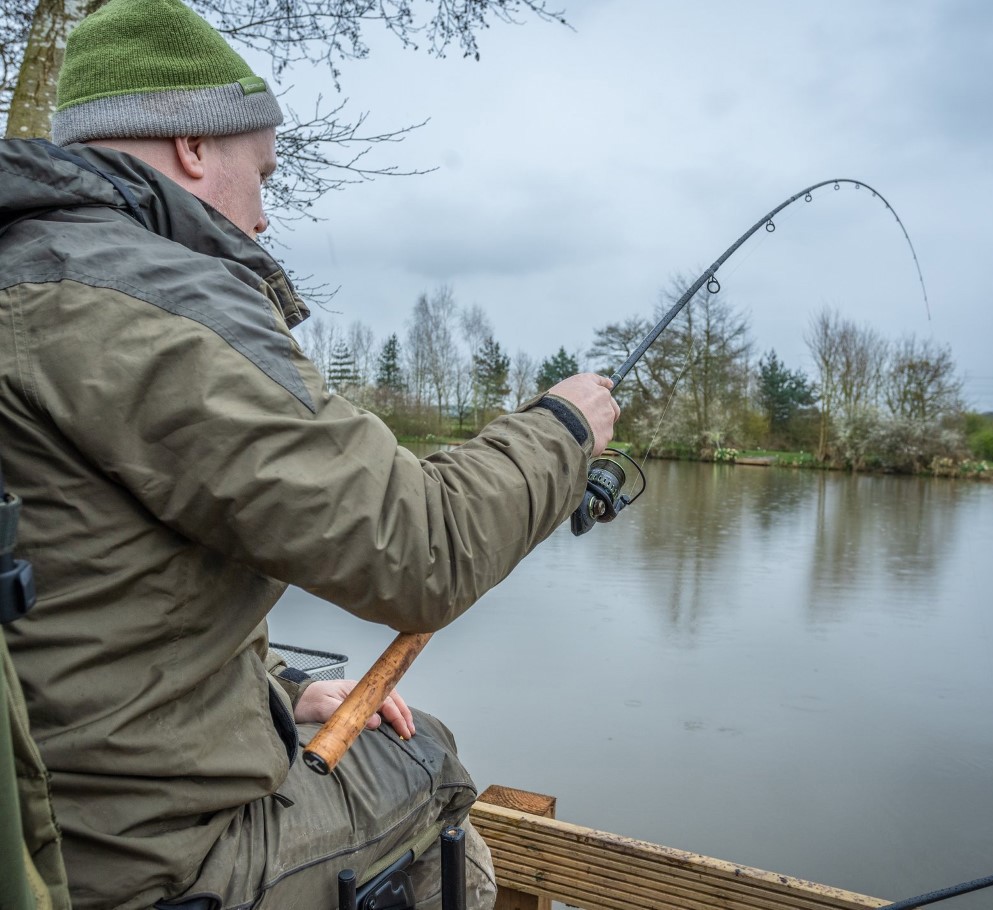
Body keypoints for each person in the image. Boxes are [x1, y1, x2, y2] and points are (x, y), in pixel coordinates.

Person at [0, 0, 620, 908]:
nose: (261, 218)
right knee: (429, 761)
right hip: (138, 870)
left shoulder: (24, 275)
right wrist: (563, 429)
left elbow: (87, 598)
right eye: (264, 175)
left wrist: (280, 696)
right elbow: (424, 548)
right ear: (193, 148)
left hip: (40, 818)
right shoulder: (151, 305)